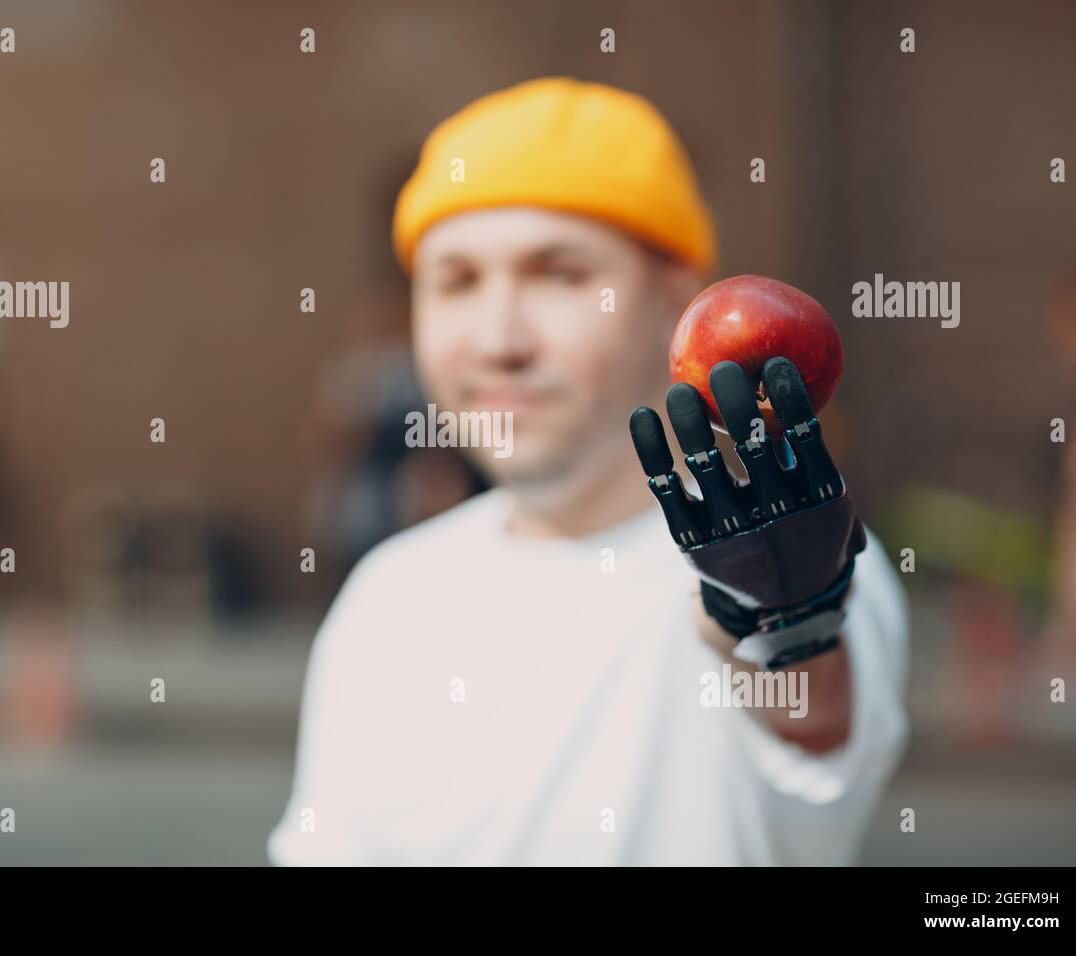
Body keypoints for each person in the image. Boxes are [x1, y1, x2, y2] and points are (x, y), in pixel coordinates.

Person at [269, 77, 909, 865]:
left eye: (559, 273)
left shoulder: (802, 565)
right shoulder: (385, 596)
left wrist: (788, 624)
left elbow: (813, 722)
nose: (499, 339)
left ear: (676, 299)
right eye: (456, 281)